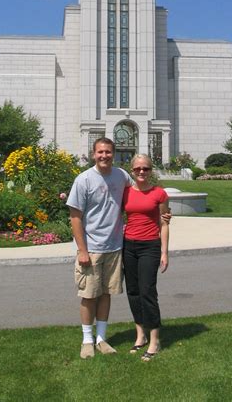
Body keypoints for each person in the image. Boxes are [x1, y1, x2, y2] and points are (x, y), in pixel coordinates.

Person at [67, 137, 131, 359]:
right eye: (100, 152)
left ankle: (102, 339)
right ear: (93, 154)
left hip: (114, 247)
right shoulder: (84, 179)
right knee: (89, 295)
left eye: (108, 152)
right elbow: (75, 217)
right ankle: (87, 340)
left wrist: (163, 210)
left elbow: (138, 195)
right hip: (92, 249)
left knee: (106, 293)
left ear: (114, 154)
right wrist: (82, 250)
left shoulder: (122, 176)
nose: (104, 156)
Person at [123, 154, 169, 361]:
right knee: (133, 291)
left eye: (146, 169)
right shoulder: (125, 193)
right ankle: (140, 335)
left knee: (147, 291)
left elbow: (164, 223)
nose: (142, 172)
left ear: (151, 170)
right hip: (128, 246)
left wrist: (165, 252)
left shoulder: (159, 193)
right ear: (132, 170)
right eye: (138, 169)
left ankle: (154, 340)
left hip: (150, 246)